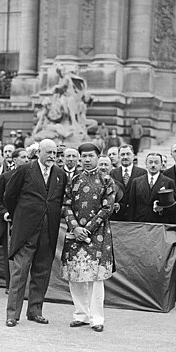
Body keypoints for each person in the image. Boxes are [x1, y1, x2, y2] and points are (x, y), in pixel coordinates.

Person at [3, 138, 67, 327]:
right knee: (19, 273)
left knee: (42, 272)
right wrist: (21, 217)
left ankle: (35, 311)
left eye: (55, 153)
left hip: (48, 232)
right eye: (49, 153)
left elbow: (59, 199)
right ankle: (12, 314)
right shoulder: (25, 170)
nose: (52, 157)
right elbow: (9, 196)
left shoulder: (60, 174)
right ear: (39, 152)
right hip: (26, 232)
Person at [61, 142, 117, 332]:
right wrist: (75, 228)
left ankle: (97, 318)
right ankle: (81, 314)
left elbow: (108, 207)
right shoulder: (74, 180)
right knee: (75, 276)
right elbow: (66, 205)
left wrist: (88, 228)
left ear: (97, 157)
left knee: (95, 278)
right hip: (75, 234)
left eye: (90, 156)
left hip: (98, 235)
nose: (86, 160)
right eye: (83, 156)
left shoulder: (106, 180)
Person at [0, 147, 30, 294]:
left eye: (28, 157)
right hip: (9, 223)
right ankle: (10, 287)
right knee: (10, 255)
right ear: (14, 160)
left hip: (27, 222)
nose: (27, 160)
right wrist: (5, 213)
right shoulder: (5, 177)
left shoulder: (33, 176)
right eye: (23, 157)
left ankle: (24, 287)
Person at [127, 152, 176, 223]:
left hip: (159, 224)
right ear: (146, 164)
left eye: (156, 162)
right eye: (150, 162)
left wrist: (162, 210)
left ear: (161, 165)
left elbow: (173, 207)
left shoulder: (169, 182)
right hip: (140, 224)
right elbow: (132, 206)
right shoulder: (136, 182)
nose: (153, 165)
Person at [110, 144, 146, 220]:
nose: (125, 157)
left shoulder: (143, 173)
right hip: (118, 216)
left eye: (128, 154)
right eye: (122, 154)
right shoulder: (112, 173)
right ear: (119, 157)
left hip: (136, 216)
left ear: (133, 156)